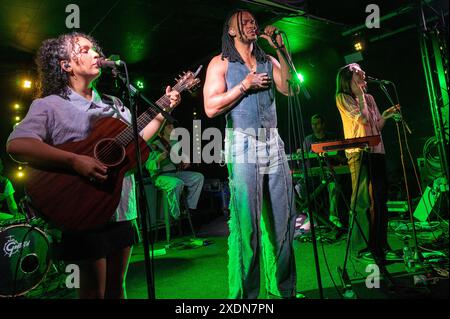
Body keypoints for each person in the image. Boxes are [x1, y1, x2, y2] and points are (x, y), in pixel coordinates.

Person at [5, 32, 181, 298]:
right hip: (81, 209)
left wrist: (165, 108)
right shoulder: (49, 105)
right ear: (66, 65)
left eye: (94, 49)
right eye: (85, 50)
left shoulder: (115, 105)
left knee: (116, 290)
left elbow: (137, 140)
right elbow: (17, 145)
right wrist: (75, 160)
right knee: (92, 293)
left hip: (120, 207)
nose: (95, 54)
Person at [203, 9, 297, 299]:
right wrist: (244, 86)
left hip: (273, 141)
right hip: (242, 142)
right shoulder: (220, 64)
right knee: (248, 228)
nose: (251, 24)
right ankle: (248, 298)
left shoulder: (268, 60)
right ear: (231, 31)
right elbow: (210, 107)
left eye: (253, 21)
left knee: (284, 222)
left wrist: (281, 49)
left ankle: (284, 291)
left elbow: (290, 88)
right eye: (243, 22)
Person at [335, 63, 400, 262]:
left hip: (377, 151)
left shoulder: (370, 98)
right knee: (362, 201)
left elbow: (376, 124)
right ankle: (362, 248)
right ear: (348, 78)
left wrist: (386, 115)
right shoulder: (343, 98)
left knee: (379, 200)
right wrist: (360, 96)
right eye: (357, 70)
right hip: (359, 153)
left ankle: (380, 244)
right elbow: (362, 120)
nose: (362, 72)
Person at [145, 122, 204, 220]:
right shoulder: (154, 145)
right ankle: (175, 214)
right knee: (177, 183)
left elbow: (179, 160)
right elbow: (148, 166)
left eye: (173, 126)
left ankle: (189, 208)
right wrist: (158, 160)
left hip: (175, 173)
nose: (173, 128)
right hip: (159, 176)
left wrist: (184, 162)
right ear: (161, 132)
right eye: (169, 127)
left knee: (198, 177)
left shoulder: (175, 143)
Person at [302, 114, 345, 229]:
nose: (315, 126)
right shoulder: (308, 140)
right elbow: (304, 158)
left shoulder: (331, 137)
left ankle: (333, 216)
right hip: (313, 174)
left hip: (330, 172)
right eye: (312, 124)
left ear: (323, 124)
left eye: (317, 123)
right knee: (299, 187)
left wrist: (329, 154)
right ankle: (311, 217)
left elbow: (341, 157)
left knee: (334, 186)